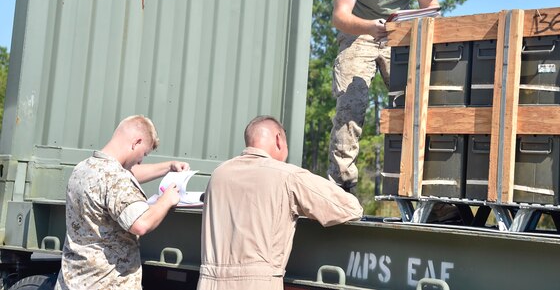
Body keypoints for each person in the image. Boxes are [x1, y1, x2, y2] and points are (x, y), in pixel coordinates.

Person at [328, 0, 440, 191]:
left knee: (416, 103)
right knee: (352, 103)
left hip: (398, 35)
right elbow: (340, 17)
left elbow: (432, 10)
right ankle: (341, 187)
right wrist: (371, 27)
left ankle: (420, 186)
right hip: (360, 32)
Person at [197, 115, 363, 290]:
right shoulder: (287, 176)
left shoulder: (218, 175)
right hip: (257, 284)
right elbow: (350, 208)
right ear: (278, 140)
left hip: (208, 283)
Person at [55, 115, 190, 290]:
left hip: (74, 281)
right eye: (144, 153)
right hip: (108, 283)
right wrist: (166, 200)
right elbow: (141, 223)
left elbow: (124, 177)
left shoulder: (83, 168)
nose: (141, 160)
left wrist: (168, 166)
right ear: (136, 142)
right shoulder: (116, 178)